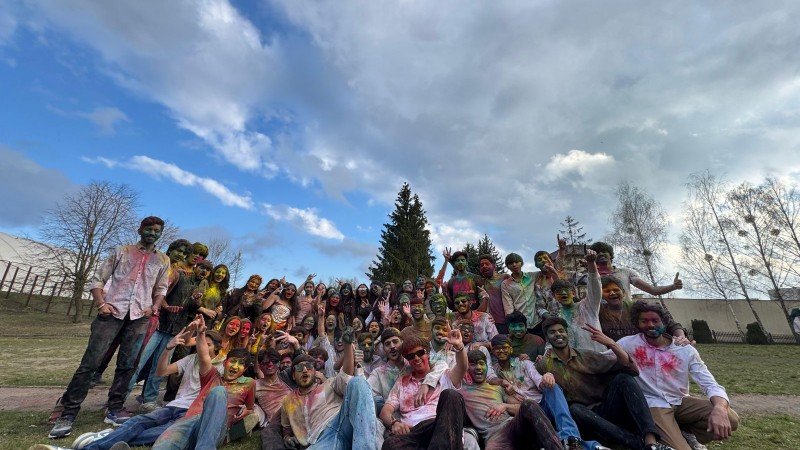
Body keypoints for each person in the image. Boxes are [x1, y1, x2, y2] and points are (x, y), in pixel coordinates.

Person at [48, 217, 171, 439]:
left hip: (139, 316)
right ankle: (68, 412)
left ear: (160, 234)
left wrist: (153, 307)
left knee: (127, 365)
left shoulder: (163, 260)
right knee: (90, 364)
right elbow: (97, 279)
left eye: (156, 230)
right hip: (112, 312)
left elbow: (161, 287)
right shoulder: (122, 251)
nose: (152, 233)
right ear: (140, 229)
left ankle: (114, 408)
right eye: (149, 229)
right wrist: (101, 304)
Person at [536, 317, 673, 450]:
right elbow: (537, 388)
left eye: (561, 331)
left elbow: (631, 370)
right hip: (581, 421)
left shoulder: (587, 356)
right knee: (575, 409)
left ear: (567, 334)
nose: (558, 334)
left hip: (606, 410)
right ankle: (639, 445)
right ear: (547, 338)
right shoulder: (543, 365)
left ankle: (651, 441)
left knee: (624, 379)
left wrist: (612, 344)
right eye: (552, 332)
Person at [617, 302, 738, 450]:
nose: (650, 325)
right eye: (644, 321)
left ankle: (684, 431)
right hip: (653, 404)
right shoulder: (628, 344)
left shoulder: (684, 349)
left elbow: (709, 383)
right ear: (637, 323)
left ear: (664, 322)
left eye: (655, 320)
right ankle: (669, 436)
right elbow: (601, 360)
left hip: (680, 401)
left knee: (730, 419)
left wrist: (719, 408)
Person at [150, 314, 256, 450]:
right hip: (192, 420)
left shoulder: (249, 383)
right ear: (225, 362)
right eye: (233, 361)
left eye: (240, 364)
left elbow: (251, 408)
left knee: (219, 391)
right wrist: (200, 333)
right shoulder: (212, 375)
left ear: (245, 369)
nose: (235, 366)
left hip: (216, 429)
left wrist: (247, 412)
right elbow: (204, 356)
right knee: (165, 441)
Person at [490, 335, 607, 450]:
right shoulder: (494, 372)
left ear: (511, 349)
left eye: (504, 347)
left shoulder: (524, 363)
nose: (501, 351)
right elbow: (489, 378)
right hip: (524, 414)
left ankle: (570, 436)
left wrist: (547, 377)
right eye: (497, 348)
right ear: (492, 351)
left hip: (544, 405)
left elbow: (538, 379)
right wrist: (503, 385)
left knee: (552, 387)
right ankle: (589, 446)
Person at [280, 327, 381, 450]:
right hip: (321, 440)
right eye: (300, 368)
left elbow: (346, 377)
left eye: (308, 367)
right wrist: (287, 438)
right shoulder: (287, 401)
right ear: (293, 376)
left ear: (314, 371)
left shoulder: (329, 383)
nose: (305, 370)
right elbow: (286, 428)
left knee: (357, 382)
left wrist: (348, 345)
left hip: (344, 423)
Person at [379, 328, 480, 450]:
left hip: (439, 425)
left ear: (428, 353)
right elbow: (385, 412)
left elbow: (462, 367)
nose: (416, 358)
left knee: (451, 395)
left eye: (420, 353)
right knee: (390, 444)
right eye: (411, 356)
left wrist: (459, 347)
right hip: (413, 432)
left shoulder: (444, 374)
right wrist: (394, 423)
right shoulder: (401, 382)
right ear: (408, 360)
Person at [457, 349, 564, 450]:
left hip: (512, 426)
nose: (478, 367)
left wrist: (505, 406)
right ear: (466, 367)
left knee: (529, 404)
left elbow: (523, 407)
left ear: (486, 366)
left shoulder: (497, 388)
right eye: (473, 364)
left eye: (481, 363)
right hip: (494, 436)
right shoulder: (460, 391)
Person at [589, 241, 683, 303]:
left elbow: (652, 290)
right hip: (600, 320)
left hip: (626, 319)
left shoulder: (625, 272)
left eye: (604, 251)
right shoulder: (589, 276)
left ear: (611, 255)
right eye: (597, 252)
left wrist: (673, 286)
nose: (600, 254)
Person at [552, 249, 605, 352]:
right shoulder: (557, 318)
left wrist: (591, 264)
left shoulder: (588, 306)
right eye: (558, 292)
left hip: (598, 359)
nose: (563, 293)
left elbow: (594, 287)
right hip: (574, 363)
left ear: (573, 293)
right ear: (554, 296)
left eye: (566, 290)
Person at [502, 252, 548, 334]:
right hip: (521, 324)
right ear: (507, 266)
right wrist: (512, 323)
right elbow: (508, 306)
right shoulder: (506, 284)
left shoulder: (532, 276)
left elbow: (547, 270)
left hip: (538, 320)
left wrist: (561, 252)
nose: (514, 265)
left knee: (541, 344)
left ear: (521, 263)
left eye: (517, 262)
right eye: (511, 263)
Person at [478, 254, 511, 334]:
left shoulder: (505, 278)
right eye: (481, 265)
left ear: (494, 266)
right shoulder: (481, 283)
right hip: (490, 322)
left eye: (487, 264)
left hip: (507, 320)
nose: (484, 266)